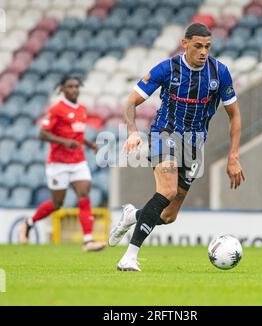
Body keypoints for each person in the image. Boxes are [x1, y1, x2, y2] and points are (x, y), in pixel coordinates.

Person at [109, 23, 245, 271]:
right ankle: (129, 257)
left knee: (168, 215)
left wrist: (233, 156)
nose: (203, 52)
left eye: (207, 47)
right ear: (185, 44)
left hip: (194, 144)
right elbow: (131, 102)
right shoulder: (167, 69)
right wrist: (131, 132)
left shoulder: (219, 73)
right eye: (198, 46)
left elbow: (234, 115)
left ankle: (133, 216)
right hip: (165, 134)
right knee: (168, 190)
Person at [19, 75, 106, 252]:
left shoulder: (82, 109)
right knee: (57, 203)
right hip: (58, 163)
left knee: (84, 194)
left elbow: (77, 135)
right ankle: (28, 223)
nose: (74, 89)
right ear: (62, 90)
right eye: (70, 87)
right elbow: (42, 134)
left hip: (78, 161)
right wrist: (64, 141)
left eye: (76, 86)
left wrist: (90, 145)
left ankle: (88, 241)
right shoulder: (57, 109)